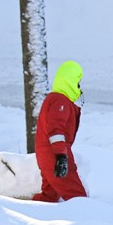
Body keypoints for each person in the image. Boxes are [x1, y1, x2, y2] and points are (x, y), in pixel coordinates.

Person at [34, 60, 88, 202]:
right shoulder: (59, 101)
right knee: (77, 196)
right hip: (54, 155)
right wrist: (61, 157)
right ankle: (87, 221)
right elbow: (56, 130)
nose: (79, 86)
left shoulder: (55, 99)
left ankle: (32, 214)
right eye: (78, 81)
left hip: (47, 154)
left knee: (49, 197)